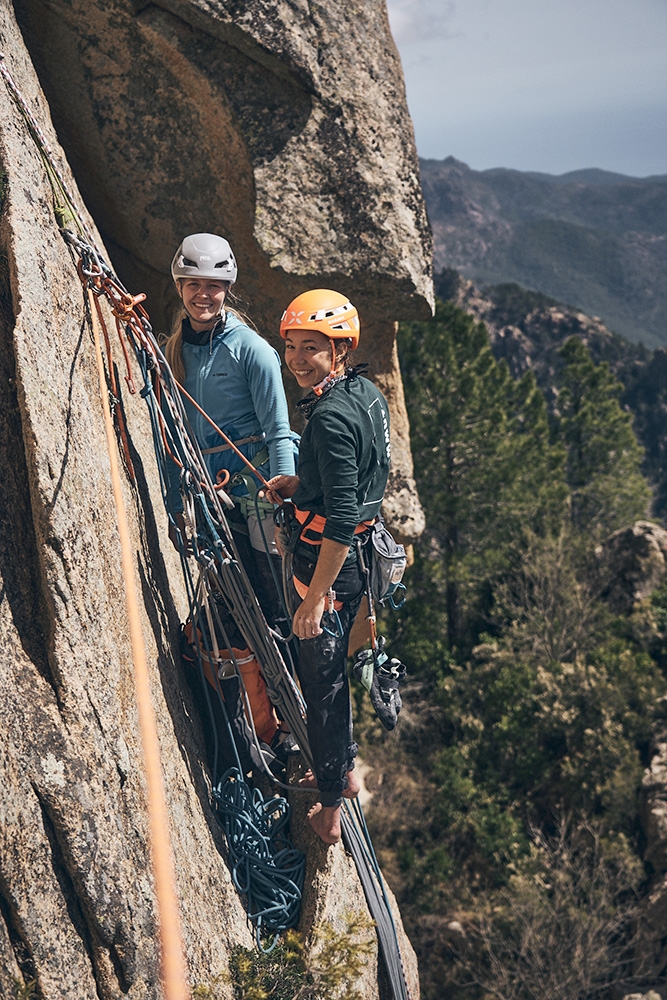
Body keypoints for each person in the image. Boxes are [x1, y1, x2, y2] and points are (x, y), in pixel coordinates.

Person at [163, 232, 296, 776]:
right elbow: (171, 437)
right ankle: (248, 716)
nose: (204, 295)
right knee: (229, 608)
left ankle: (288, 730)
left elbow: (280, 428)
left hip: (254, 499)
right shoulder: (175, 349)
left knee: (271, 607)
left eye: (214, 287)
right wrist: (177, 501)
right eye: (194, 285)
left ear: (228, 290)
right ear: (181, 287)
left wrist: (282, 482)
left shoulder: (251, 349)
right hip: (208, 498)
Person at [264, 289, 391, 844]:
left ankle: (332, 805)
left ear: (339, 350)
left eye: (311, 348)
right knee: (329, 677)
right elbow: (358, 479)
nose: (296, 359)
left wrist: (314, 598)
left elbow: (340, 520)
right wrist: (302, 485)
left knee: (322, 685)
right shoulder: (365, 393)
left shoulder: (330, 417)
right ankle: (340, 771)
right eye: (291, 346)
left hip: (329, 567)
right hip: (359, 557)